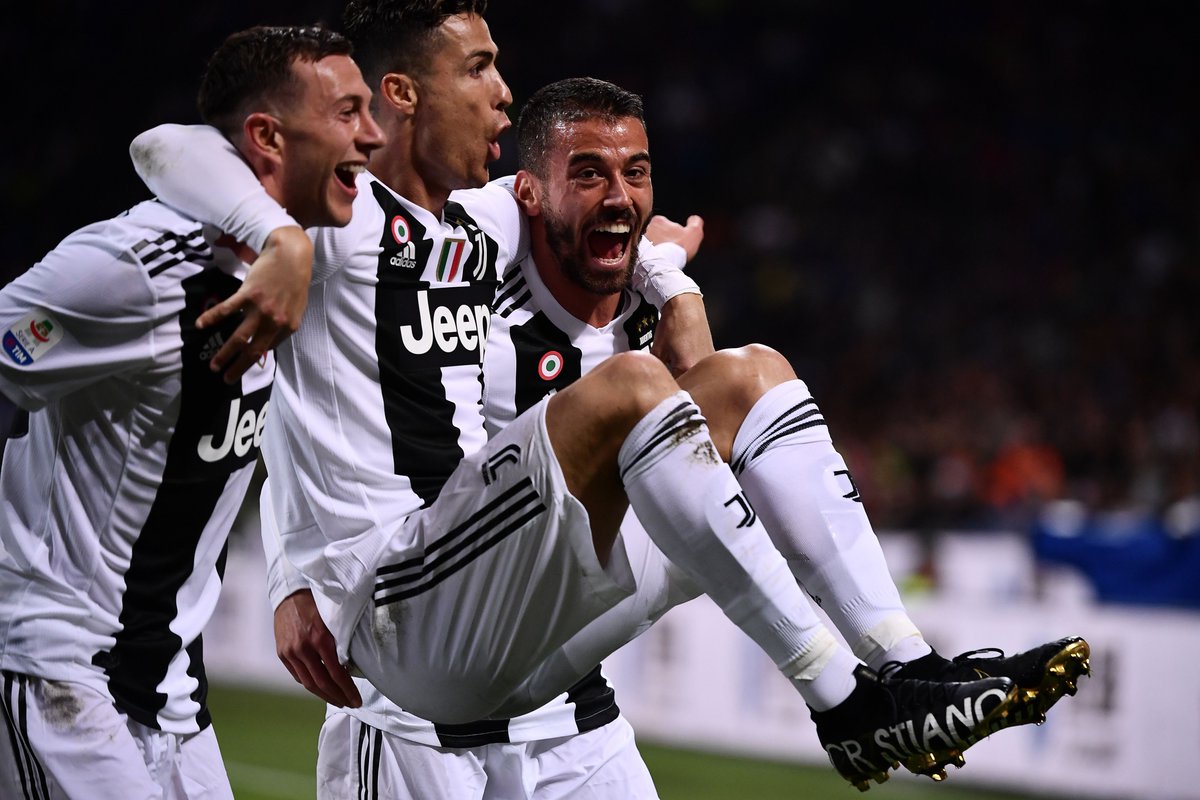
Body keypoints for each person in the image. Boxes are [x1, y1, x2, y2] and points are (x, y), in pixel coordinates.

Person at [128, 2, 1040, 793]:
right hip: (403, 618)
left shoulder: (480, 221)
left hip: (538, 661)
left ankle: (906, 672)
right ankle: (840, 699)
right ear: (402, 94)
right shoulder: (339, 218)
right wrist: (274, 236)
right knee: (637, 388)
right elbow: (163, 148)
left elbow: (605, 220)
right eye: (478, 68)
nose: (503, 92)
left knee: (750, 374)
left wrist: (672, 283)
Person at [0, 25, 384, 800]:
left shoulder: (297, 258)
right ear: (268, 137)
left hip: (171, 698)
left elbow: (170, 144)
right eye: (348, 112)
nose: (371, 135)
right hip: (60, 674)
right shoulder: (136, 270)